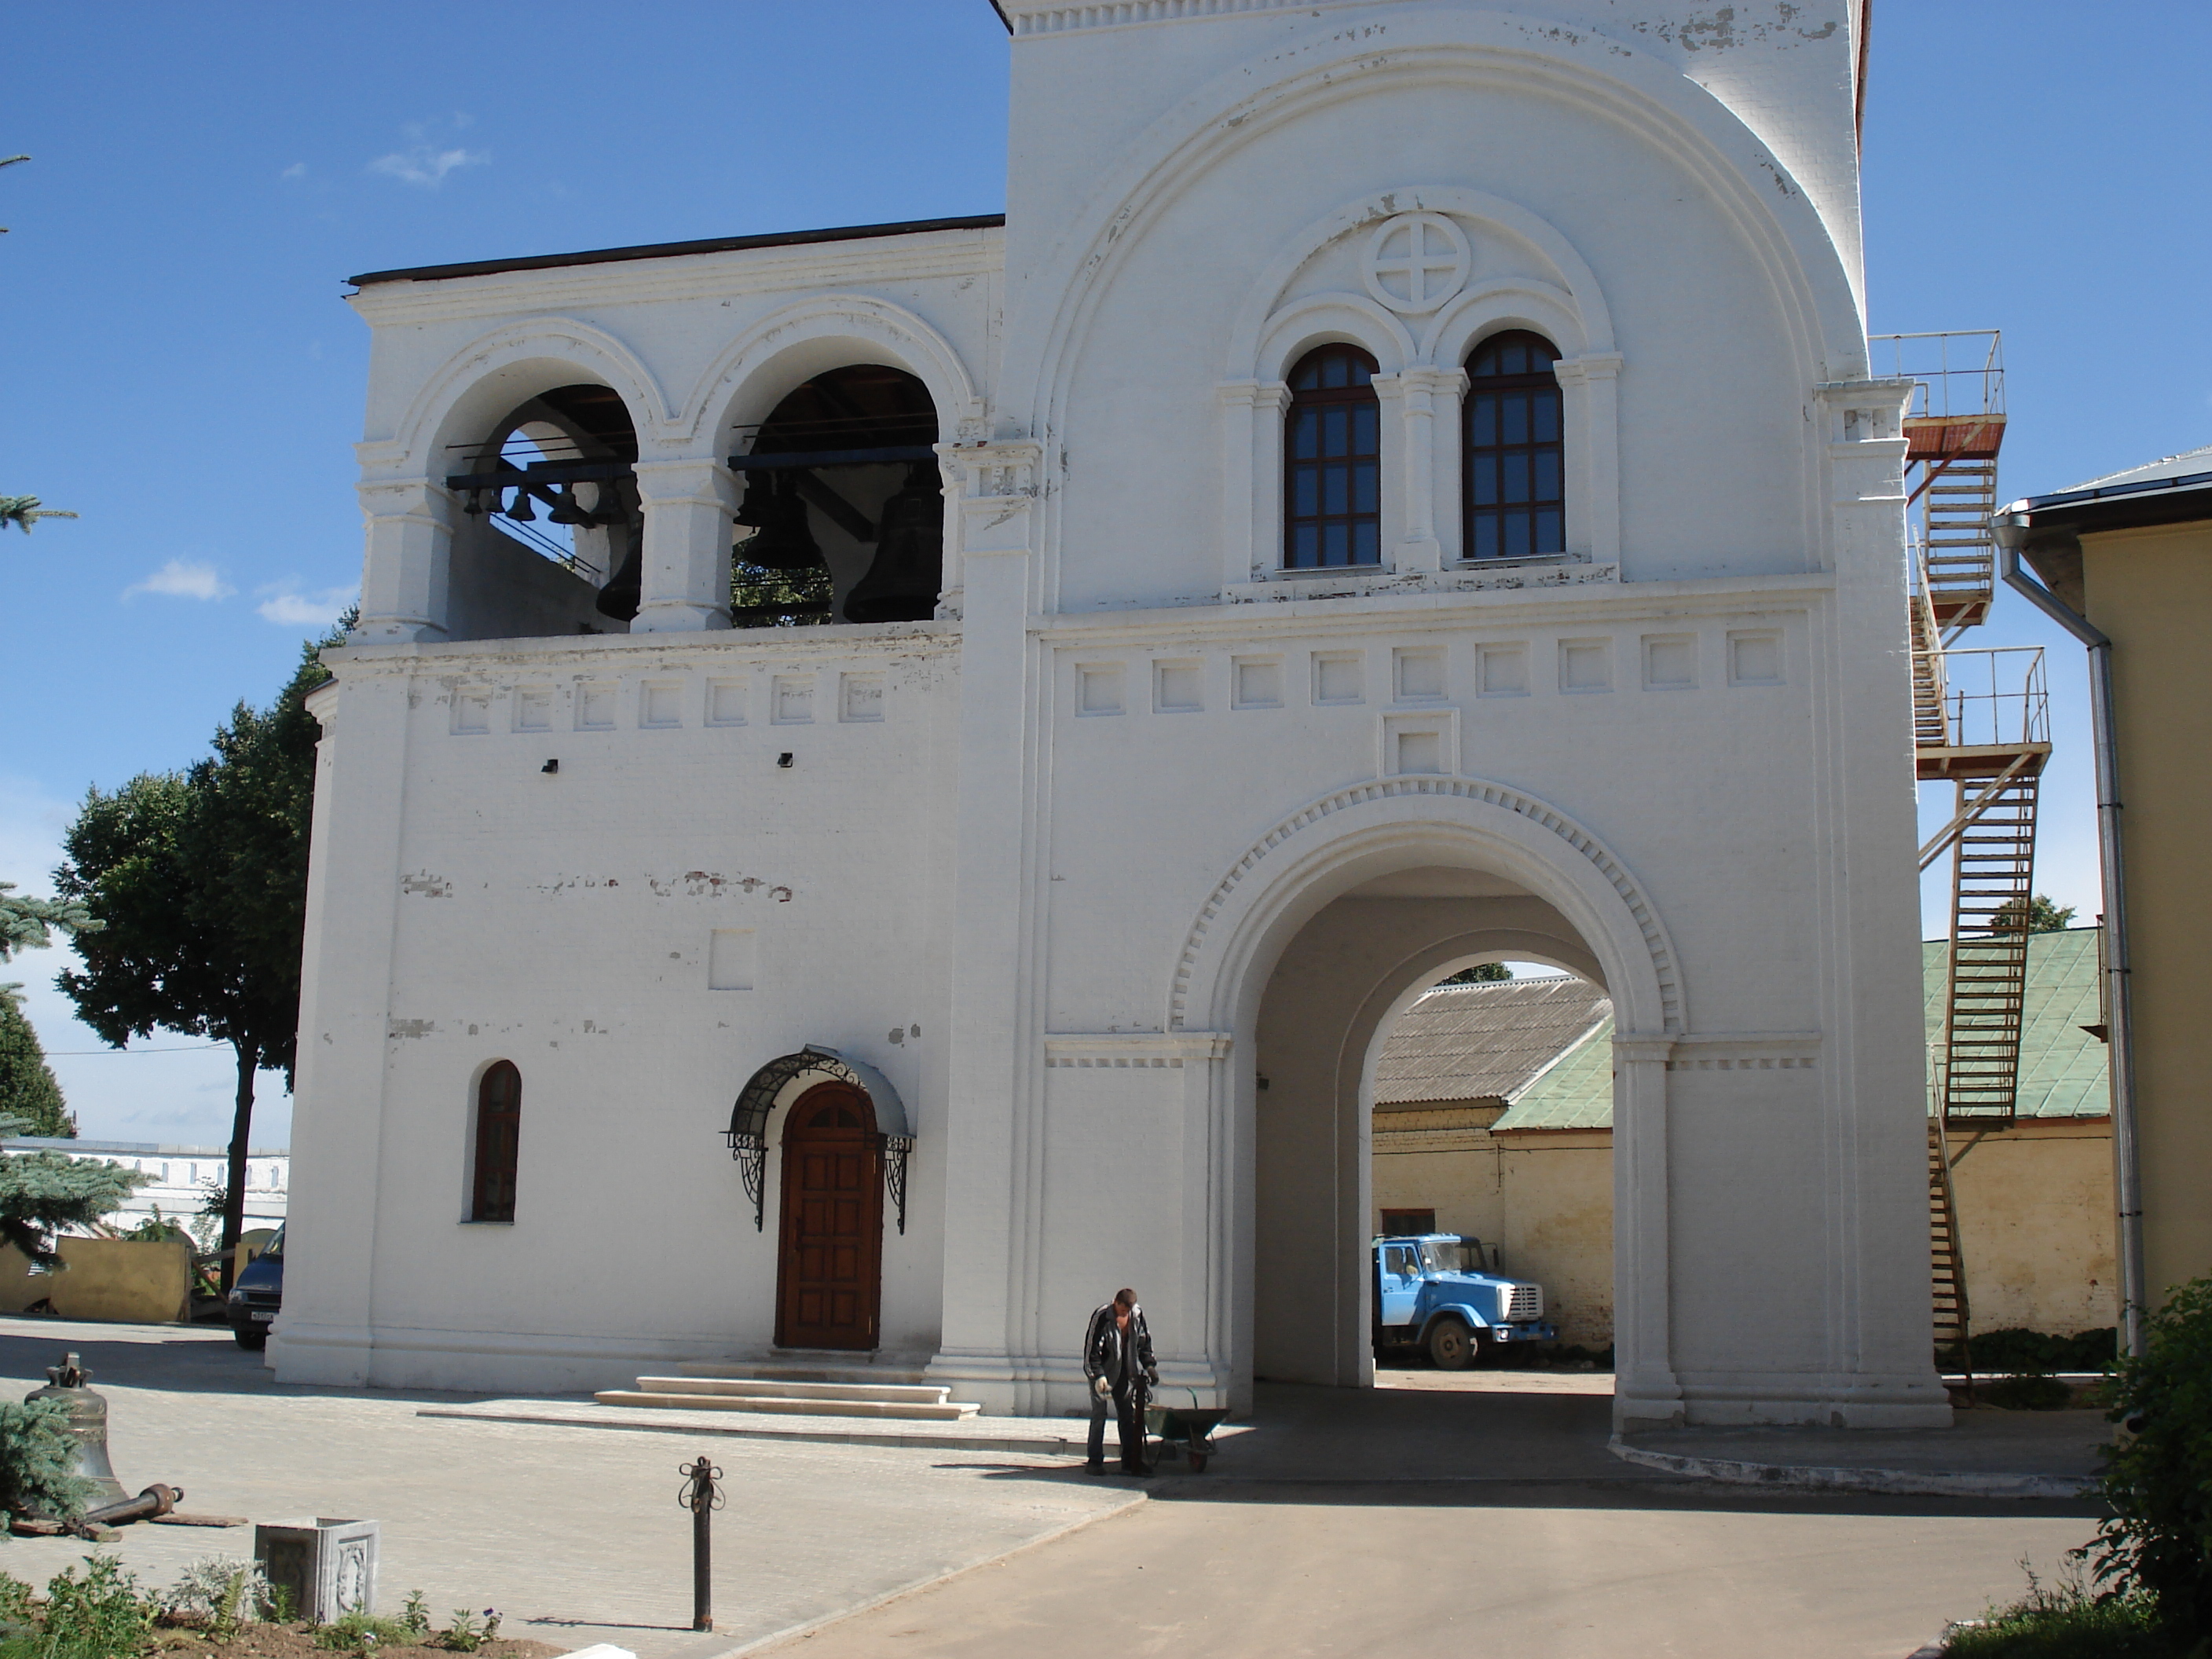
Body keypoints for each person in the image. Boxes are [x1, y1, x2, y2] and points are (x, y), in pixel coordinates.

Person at [1082, 1287, 1157, 1475]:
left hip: (1125, 1371)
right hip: (1103, 1373)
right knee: (1100, 1414)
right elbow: (1092, 1350)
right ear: (1116, 1303)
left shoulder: (1137, 1315)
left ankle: (1131, 1461)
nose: (1124, 1313)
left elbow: (1144, 1343)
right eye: (1122, 1309)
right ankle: (1095, 1461)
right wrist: (1098, 1375)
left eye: (1127, 1311)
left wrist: (1149, 1366)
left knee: (1127, 1415)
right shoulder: (1102, 1316)